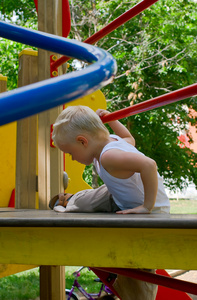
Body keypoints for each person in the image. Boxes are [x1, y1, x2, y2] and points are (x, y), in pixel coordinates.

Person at [51, 105, 170, 300]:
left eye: (71, 153)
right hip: (121, 198)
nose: (72, 158)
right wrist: (112, 120)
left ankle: (70, 202)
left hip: (148, 214)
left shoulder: (109, 156)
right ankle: (70, 201)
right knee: (92, 198)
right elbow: (130, 139)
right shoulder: (113, 143)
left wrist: (146, 207)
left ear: (83, 141)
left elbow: (148, 164)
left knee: (140, 271)